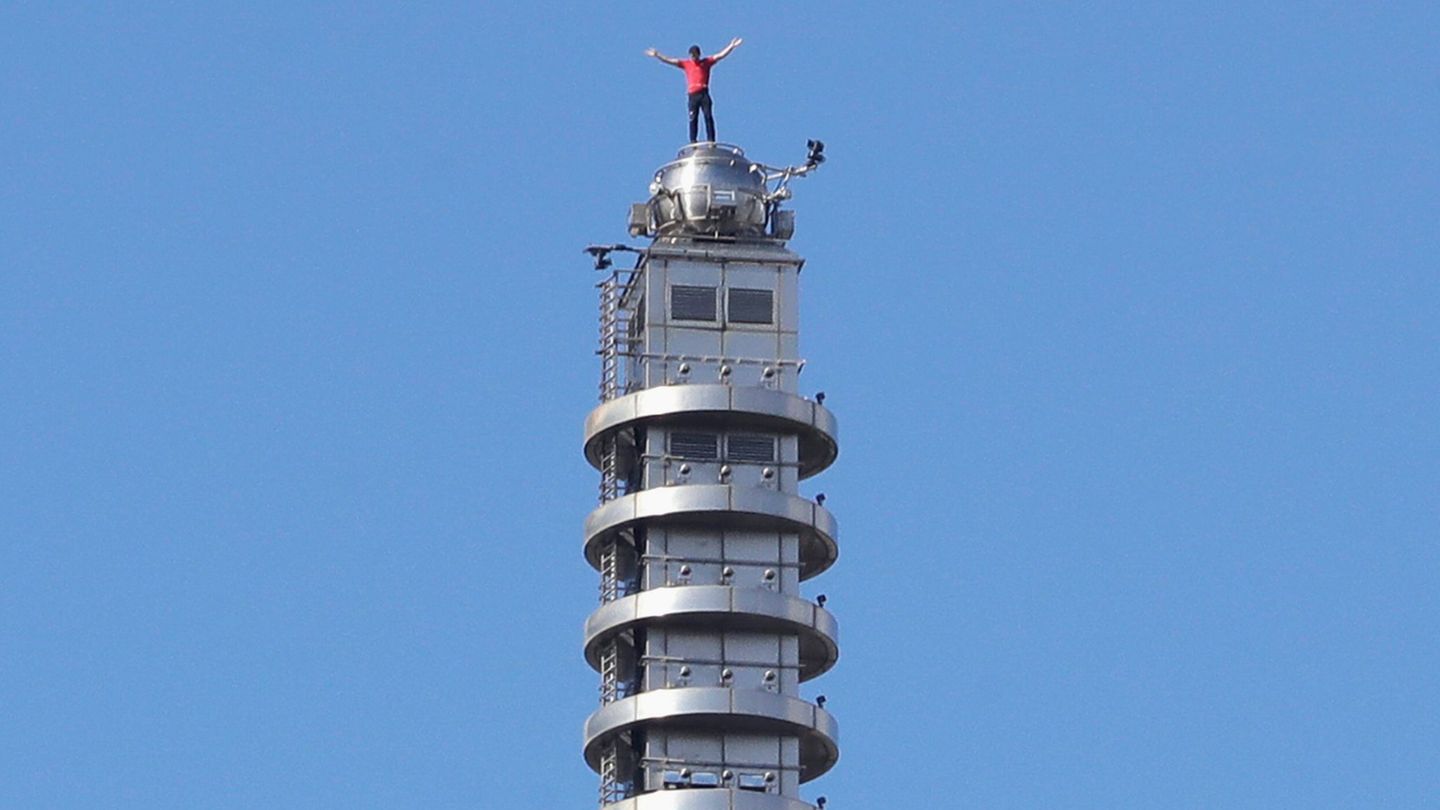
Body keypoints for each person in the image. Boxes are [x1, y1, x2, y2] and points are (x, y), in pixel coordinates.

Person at [644, 38, 743, 143]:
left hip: (703, 93)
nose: (693, 57)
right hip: (693, 96)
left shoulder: (706, 62)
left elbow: (720, 56)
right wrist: (658, 55)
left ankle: (711, 140)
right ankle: (693, 141)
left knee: (708, 116)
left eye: (695, 55)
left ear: (699, 55)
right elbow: (670, 60)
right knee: (693, 118)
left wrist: (731, 46)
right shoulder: (686, 64)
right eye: (692, 55)